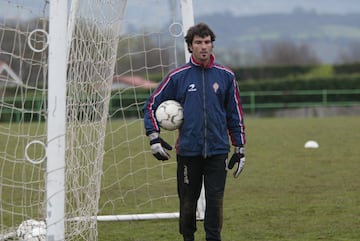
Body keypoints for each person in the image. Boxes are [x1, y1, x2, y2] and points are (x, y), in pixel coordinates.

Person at [143, 23, 246, 241]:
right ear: (190, 46)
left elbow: (234, 113)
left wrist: (240, 146)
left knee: (215, 202)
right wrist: (154, 136)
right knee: (187, 203)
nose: (203, 47)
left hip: (218, 151)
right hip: (189, 152)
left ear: (212, 44)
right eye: (198, 42)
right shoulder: (177, 77)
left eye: (207, 42)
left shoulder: (226, 76)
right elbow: (152, 103)